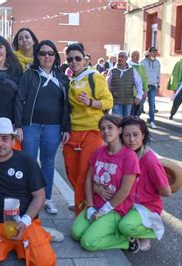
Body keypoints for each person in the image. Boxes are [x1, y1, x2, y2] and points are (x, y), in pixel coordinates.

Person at [0, 117, 56, 266]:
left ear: (13, 140)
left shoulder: (27, 161)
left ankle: (39, 234)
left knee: (45, 262)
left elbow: (39, 196)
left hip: (24, 223)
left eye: (5, 138)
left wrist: (26, 220)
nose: (0, 143)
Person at [15, 40, 71, 215]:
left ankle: (46, 199)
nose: (46, 56)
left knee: (48, 163)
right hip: (30, 125)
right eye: (42, 53)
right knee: (29, 161)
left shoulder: (62, 78)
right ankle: (27, 197)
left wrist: (66, 128)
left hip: (53, 127)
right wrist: (18, 126)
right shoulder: (29, 75)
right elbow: (18, 100)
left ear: (56, 56)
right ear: (37, 56)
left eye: (50, 53)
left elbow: (67, 105)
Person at [70, 115, 140, 251]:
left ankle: (125, 240)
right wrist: (90, 206)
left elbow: (125, 191)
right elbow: (89, 180)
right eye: (102, 129)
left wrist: (104, 211)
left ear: (119, 130)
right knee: (76, 233)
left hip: (115, 209)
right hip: (95, 204)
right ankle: (99, 227)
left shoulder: (129, 156)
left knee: (88, 242)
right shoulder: (99, 152)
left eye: (110, 127)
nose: (105, 131)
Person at [62, 43, 114, 216]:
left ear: (85, 59)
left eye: (77, 58)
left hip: (92, 131)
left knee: (84, 175)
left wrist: (91, 102)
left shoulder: (94, 77)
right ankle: (83, 202)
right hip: (72, 132)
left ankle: (82, 213)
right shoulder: (71, 80)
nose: (74, 61)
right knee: (72, 173)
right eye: (70, 59)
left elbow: (108, 101)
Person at [116, 116, 171, 253]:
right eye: (127, 135)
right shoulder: (123, 154)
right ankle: (132, 232)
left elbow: (166, 192)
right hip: (126, 201)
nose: (132, 139)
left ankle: (150, 231)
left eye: (136, 135)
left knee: (125, 226)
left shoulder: (150, 160)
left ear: (143, 135)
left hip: (146, 205)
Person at [106, 51, 143, 117]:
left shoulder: (132, 70)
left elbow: (139, 83)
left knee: (126, 122)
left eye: (122, 56)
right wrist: (108, 98)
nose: (120, 58)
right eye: (118, 57)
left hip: (128, 101)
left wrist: (139, 96)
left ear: (126, 58)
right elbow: (107, 85)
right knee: (117, 121)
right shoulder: (112, 70)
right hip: (116, 101)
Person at [141, 47, 161, 129]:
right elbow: (140, 74)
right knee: (140, 103)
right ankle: (137, 119)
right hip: (144, 86)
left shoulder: (157, 62)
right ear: (149, 53)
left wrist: (158, 84)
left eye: (156, 52)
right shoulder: (142, 62)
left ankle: (152, 121)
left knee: (152, 104)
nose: (155, 53)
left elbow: (158, 73)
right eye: (153, 52)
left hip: (153, 85)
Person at [128, 50, 149, 117]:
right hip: (130, 93)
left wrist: (145, 90)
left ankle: (136, 124)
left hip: (140, 93)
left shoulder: (141, 66)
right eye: (135, 55)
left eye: (138, 55)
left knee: (138, 111)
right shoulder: (128, 65)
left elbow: (144, 78)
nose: (137, 57)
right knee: (131, 111)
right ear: (131, 56)